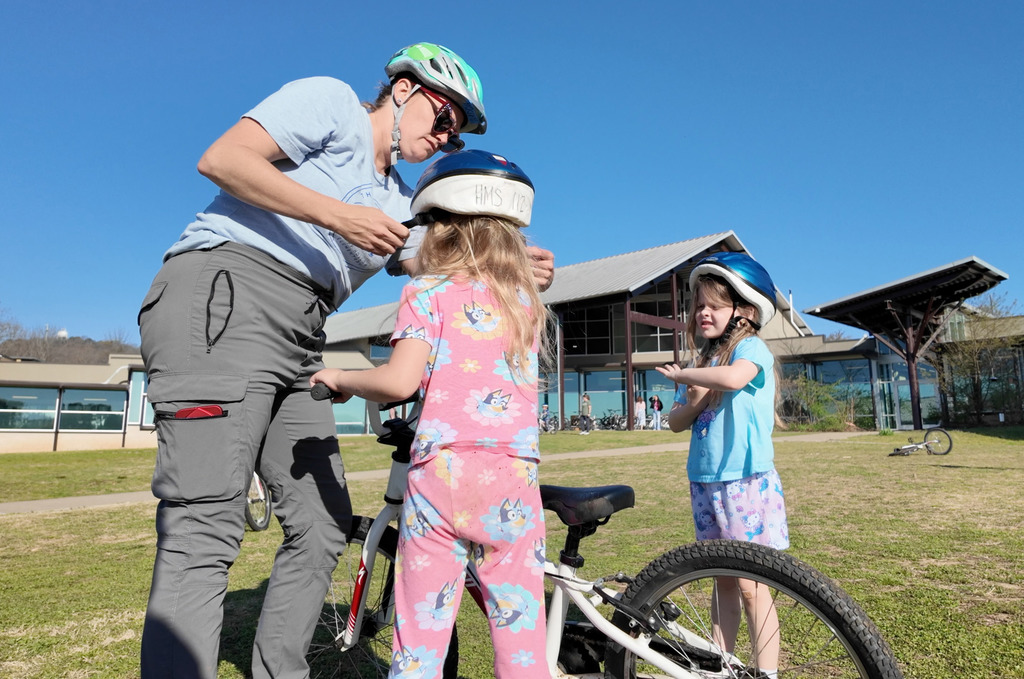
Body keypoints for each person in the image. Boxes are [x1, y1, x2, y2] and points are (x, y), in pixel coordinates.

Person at [137, 43, 555, 679]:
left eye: (455, 135)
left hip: (305, 332)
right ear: (406, 89)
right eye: (444, 119)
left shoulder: (398, 199)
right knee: (206, 520)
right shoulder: (332, 104)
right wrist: (340, 216)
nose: (444, 138)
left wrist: (516, 264)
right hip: (227, 290)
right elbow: (221, 159)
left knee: (324, 521)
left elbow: (451, 256)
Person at [310, 149, 551, 678]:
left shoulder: (424, 293)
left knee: (420, 640)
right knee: (522, 638)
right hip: (513, 475)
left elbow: (399, 382)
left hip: (441, 476)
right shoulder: (525, 300)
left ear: (440, 229)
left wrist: (343, 379)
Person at [656, 252, 789, 679]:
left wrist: (683, 379)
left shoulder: (751, 349)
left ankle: (765, 673)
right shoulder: (701, 364)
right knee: (722, 580)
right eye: (698, 306)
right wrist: (692, 398)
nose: (703, 313)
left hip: (744, 482)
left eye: (713, 304)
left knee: (753, 585)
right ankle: (722, 666)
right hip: (706, 483)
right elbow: (675, 423)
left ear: (744, 311)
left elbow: (734, 379)